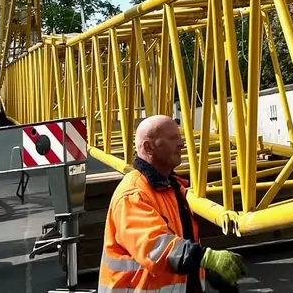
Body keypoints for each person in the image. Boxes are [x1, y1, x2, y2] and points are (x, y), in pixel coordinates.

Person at [100, 115, 245, 293]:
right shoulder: (133, 195)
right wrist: (206, 258)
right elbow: (156, 247)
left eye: (180, 137)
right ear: (148, 147)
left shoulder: (170, 187)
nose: (182, 144)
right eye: (173, 138)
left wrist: (206, 272)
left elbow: (180, 243)